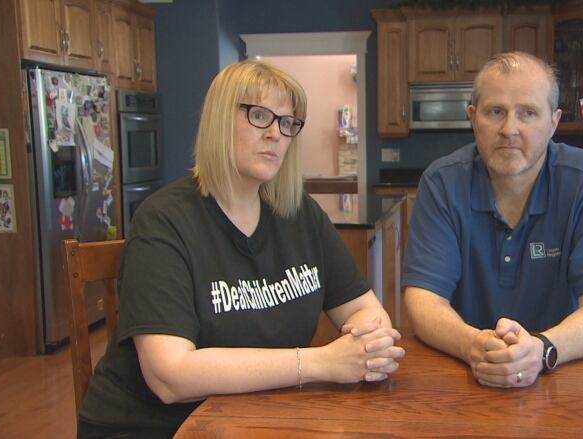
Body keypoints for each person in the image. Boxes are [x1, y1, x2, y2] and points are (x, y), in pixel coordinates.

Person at [78, 60, 405, 437]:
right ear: (219, 118)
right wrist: (320, 362)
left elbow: (364, 306)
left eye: (287, 123)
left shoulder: (300, 214)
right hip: (156, 427)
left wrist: (369, 341)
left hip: (257, 417)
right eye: (259, 115)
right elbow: (170, 376)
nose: (276, 134)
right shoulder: (165, 221)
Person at [403, 51, 583, 389]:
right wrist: (475, 346)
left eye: (528, 113)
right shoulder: (442, 183)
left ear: (554, 122)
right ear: (474, 118)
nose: (509, 129)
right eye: (495, 112)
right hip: (464, 375)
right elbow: (423, 300)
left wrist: (542, 348)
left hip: (565, 373)